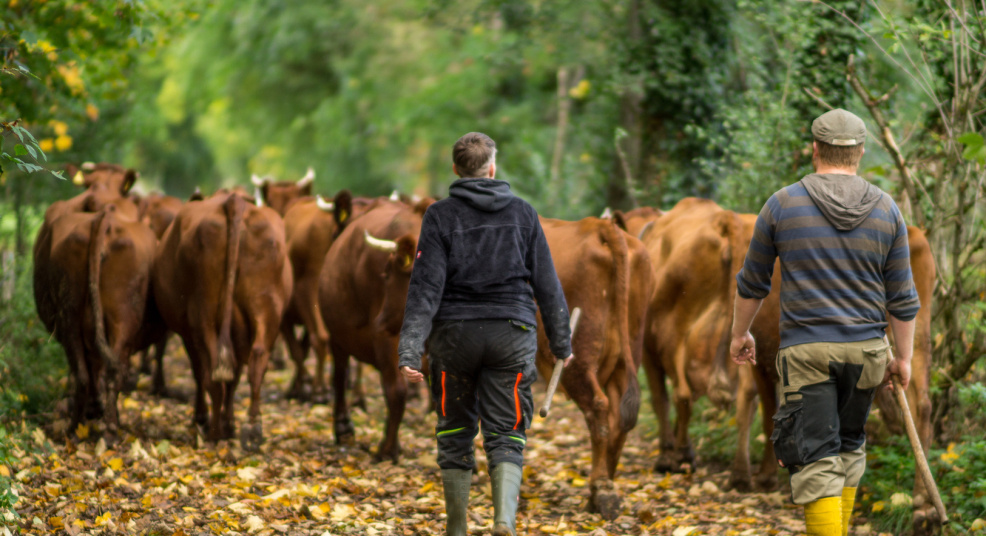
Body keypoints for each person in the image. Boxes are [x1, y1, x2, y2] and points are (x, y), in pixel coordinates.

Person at [729, 109, 920, 536]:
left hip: (807, 354)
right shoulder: (887, 209)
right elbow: (903, 299)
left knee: (816, 457)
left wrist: (740, 333)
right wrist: (903, 358)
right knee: (848, 447)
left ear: (814, 150)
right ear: (861, 152)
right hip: (868, 353)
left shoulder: (781, 204)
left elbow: (752, 283)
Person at [397, 132, 574, 536]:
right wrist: (562, 344)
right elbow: (548, 284)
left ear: (456, 170)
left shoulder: (439, 216)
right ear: (492, 168)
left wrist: (409, 350)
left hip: (453, 339)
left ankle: (456, 529)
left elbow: (425, 288)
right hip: (511, 336)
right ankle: (503, 522)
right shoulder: (524, 213)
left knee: (455, 429)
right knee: (507, 431)